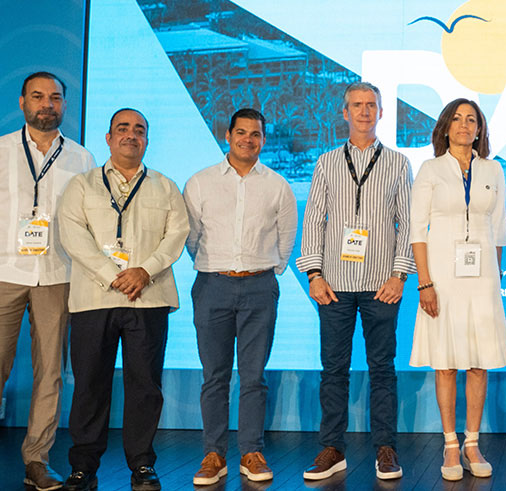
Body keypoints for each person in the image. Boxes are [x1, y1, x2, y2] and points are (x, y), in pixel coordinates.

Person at [57, 108, 189, 491]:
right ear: (109, 137)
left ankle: (142, 465)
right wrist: (111, 274)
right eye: (123, 128)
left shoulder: (165, 186)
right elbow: (73, 235)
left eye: (139, 130)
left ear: (146, 139)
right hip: (93, 297)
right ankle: (83, 467)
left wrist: (144, 271)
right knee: (89, 385)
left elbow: (176, 235)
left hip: (149, 297)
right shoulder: (82, 185)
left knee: (145, 386)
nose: (131, 135)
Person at [295, 82, 412, 481]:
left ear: (381, 112)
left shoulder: (398, 163)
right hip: (334, 283)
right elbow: (314, 220)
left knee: (383, 368)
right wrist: (313, 274)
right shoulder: (327, 162)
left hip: (382, 283)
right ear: (344, 113)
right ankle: (332, 448)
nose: (364, 111)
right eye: (357, 105)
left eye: (371, 105)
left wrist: (399, 275)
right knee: (333, 369)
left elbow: (408, 222)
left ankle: (385, 448)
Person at [183, 108, 297, 485]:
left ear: (263, 140)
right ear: (228, 136)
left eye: (256, 134)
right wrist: (218, 267)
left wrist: (262, 270)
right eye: (242, 133)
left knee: (253, 376)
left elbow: (286, 239)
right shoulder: (200, 182)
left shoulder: (277, 185)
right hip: (212, 285)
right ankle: (213, 455)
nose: (248, 139)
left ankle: (251, 452)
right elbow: (191, 237)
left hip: (260, 286)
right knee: (214, 376)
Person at [0, 71, 96, 491]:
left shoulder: (82, 159)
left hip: (58, 275)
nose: (47, 104)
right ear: (22, 102)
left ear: (64, 105)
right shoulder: (2, 150)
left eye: (55, 98)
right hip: (4, 273)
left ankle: (36, 460)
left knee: (50, 374)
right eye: (38, 96)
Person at [409, 97, 506, 481]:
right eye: (457, 119)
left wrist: (494, 278)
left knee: (479, 361)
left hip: (482, 278)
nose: (464, 125)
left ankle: (473, 443)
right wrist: (425, 282)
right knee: (447, 360)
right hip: (442, 277)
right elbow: (417, 230)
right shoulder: (431, 169)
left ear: (480, 128)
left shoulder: (493, 170)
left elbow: (498, 230)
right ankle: (450, 443)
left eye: (471, 119)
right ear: (446, 127)